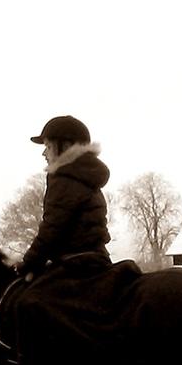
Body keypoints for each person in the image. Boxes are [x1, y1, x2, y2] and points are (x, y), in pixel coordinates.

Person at [19, 115, 111, 278]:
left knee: (29, 300)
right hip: (97, 259)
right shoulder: (86, 177)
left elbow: (51, 229)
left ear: (65, 146)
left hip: (75, 265)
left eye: (48, 146)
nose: (43, 153)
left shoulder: (65, 179)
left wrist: (28, 264)